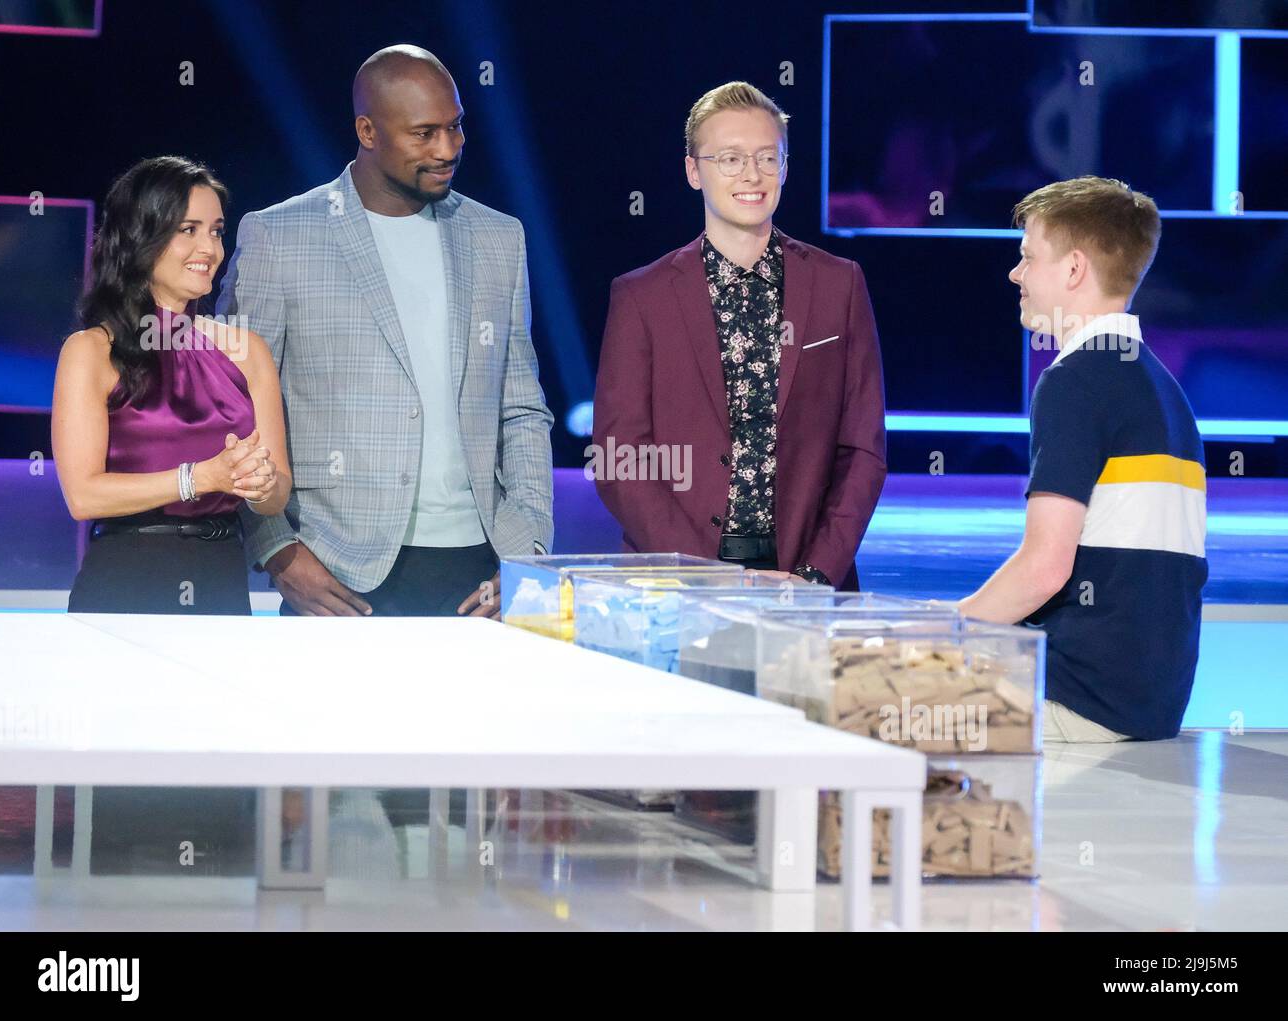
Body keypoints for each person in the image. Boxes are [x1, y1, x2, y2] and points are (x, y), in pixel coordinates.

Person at [218, 44, 554, 618]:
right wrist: (277, 549)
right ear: (368, 131)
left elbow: (521, 408)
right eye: (424, 134)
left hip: (480, 567)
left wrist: (528, 552)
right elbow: (233, 406)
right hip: (337, 567)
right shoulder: (280, 237)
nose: (447, 149)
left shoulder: (499, 238)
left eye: (455, 128)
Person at [592, 82, 886, 589]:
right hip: (677, 581)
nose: (752, 174)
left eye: (767, 158)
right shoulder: (642, 296)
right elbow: (621, 456)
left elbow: (863, 448)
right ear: (693, 170)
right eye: (730, 159)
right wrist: (698, 574)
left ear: (786, 166)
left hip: (803, 577)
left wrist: (814, 575)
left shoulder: (840, 284)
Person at [959, 176, 1207, 743]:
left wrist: (946, 626)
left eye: (1027, 258)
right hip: (1149, 704)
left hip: (1077, 701)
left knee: (859, 702)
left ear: (1073, 271)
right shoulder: (1165, 388)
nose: (1015, 274)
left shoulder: (1075, 380)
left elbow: (1044, 569)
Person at [53, 155, 288, 614]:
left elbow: (276, 493)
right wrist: (200, 478)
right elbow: (83, 495)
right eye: (189, 230)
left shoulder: (247, 350)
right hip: (128, 575)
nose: (210, 248)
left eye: (217, 231)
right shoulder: (91, 350)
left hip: (222, 576)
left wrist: (258, 483)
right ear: (143, 236)